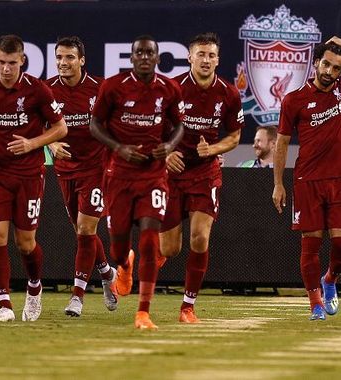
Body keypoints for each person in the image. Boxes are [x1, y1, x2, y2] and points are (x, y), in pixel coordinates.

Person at [272, 36, 341, 320]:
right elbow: (281, 143)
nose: (329, 71)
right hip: (307, 180)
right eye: (326, 64)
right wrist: (278, 183)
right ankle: (315, 304)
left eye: (335, 68)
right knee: (311, 246)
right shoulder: (294, 100)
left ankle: (330, 279)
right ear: (316, 63)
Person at [0, 34, 67, 322]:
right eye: (1, 62)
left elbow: (61, 128)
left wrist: (33, 143)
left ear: (22, 60)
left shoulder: (38, 90)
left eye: (11, 62)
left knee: (25, 243)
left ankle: (34, 288)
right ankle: (4, 304)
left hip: (29, 174)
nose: (6, 68)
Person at [90, 35, 185, 330]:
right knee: (119, 248)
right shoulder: (113, 87)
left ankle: (143, 312)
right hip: (118, 175)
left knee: (149, 239)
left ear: (158, 58)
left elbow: (180, 125)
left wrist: (169, 146)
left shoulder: (169, 89)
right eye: (139, 53)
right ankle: (125, 264)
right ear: (131, 58)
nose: (144, 57)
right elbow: (94, 125)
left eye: (150, 53)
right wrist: (119, 148)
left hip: (154, 176)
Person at [159, 32, 244, 323]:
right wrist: (166, 155)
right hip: (173, 172)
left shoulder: (229, 93)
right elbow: (153, 127)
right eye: (201, 54)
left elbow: (234, 136)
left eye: (211, 55)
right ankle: (139, 266)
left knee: (200, 237)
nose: (206, 60)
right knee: (170, 247)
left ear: (218, 59)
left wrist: (214, 149)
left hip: (205, 172)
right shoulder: (172, 88)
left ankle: (187, 306)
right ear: (189, 57)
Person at [46, 36, 118, 317]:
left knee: (87, 229)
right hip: (65, 170)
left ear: (82, 60)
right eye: (60, 58)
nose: (64, 63)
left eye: (70, 58)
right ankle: (107, 273)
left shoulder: (100, 89)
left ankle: (77, 296)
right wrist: (50, 143)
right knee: (82, 232)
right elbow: (38, 124)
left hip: (96, 169)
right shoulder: (47, 90)